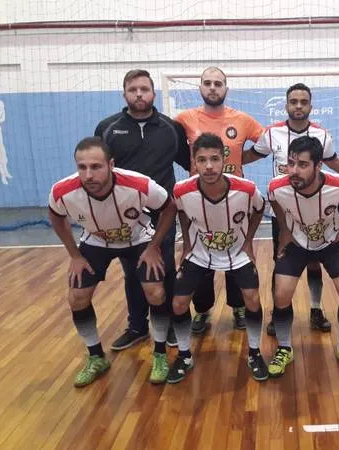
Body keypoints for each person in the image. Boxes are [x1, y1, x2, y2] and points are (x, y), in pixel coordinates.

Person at [48, 137, 178, 386]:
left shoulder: (139, 185)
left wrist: (153, 247)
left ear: (111, 164)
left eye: (96, 167)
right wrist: (75, 255)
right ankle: (96, 357)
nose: (88, 175)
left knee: (156, 292)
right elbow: (55, 217)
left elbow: (169, 208)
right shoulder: (62, 191)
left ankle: (160, 353)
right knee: (77, 296)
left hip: (138, 239)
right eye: (82, 167)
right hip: (96, 243)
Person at [243, 83, 339, 336]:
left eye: (303, 102)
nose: (298, 106)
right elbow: (253, 155)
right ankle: (278, 313)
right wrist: (226, 163)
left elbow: (333, 162)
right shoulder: (272, 134)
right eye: (294, 101)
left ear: (310, 107)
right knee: (281, 263)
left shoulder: (322, 135)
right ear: (286, 106)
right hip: (284, 214)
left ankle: (315, 310)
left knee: (315, 264)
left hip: (317, 213)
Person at [95, 69, 190, 351]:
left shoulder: (171, 128)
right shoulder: (107, 128)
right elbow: (100, 170)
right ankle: (137, 326)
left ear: (153, 93)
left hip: (163, 211)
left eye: (144, 89)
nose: (139, 94)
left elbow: (189, 164)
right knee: (133, 270)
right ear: (124, 93)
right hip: (124, 215)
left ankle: (172, 323)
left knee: (166, 267)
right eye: (133, 89)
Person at [169, 133, 267, 383]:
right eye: (202, 160)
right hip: (200, 254)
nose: (209, 166)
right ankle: (184, 355)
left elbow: (259, 209)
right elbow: (181, 213)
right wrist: (187, 245)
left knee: (252, 299)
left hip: (237, 253)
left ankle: (255, 353)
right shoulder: (182, 190)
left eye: (214, 159)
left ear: (224, 159)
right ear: (194, 162)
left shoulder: (246, 189)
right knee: (179, 303)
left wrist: (248, 242)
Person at [175, 67, 265, 333]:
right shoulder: (183, 119)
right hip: (198, 201)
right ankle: (202, 310)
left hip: (234, 200)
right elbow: (170, 145)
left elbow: (268, 144)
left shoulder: (243, 120)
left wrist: (241, 160)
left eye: (218, 83)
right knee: (201, 257)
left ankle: (238, 307)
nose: (212, 87)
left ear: (226, 88)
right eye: (207, 83)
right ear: (200, 88)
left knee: (236, 255)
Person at [267, 136, 339, 378]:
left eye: (302, 164)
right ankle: (284, 348)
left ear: (318, 165)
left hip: (331, 243)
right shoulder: (277, 187)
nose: (294, 171)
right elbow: (274, 203)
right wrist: (285, 231)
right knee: (281, 295)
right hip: (297, 244)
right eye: (291, 163)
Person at [0, 99, 13, 185]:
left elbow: (2, 118)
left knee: (3, 155)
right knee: (0, 156)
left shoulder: (0, 104)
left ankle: (5, 172)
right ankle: (3, 176)